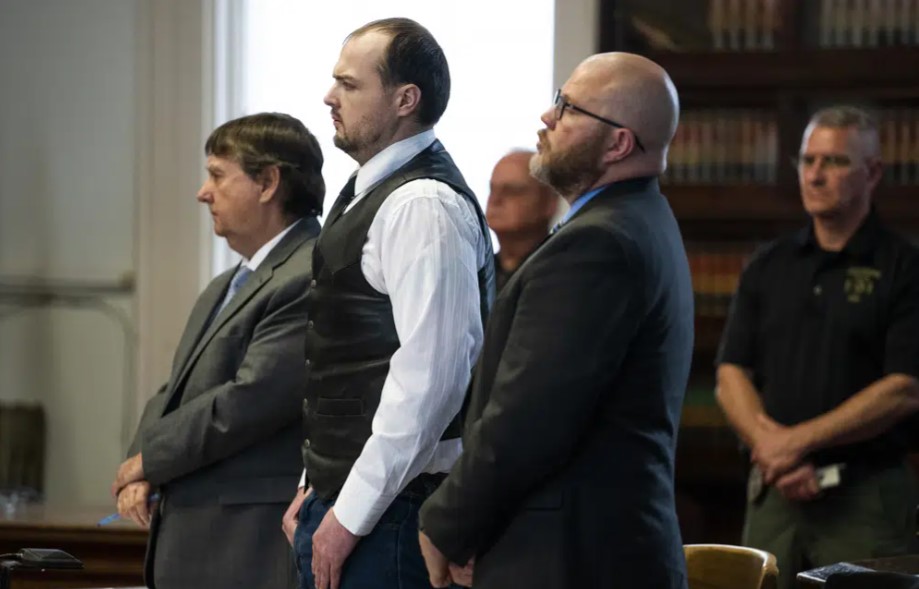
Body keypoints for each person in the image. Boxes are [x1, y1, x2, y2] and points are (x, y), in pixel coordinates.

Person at [418, 52, 693, 589]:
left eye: (569, 109)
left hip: (571, 558)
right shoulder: (637, 220)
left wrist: (445, 523)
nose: (548, 118)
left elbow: (527, 416)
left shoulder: (599, 244)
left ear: (618, 144)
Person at [282, 17, 494, 589]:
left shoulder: (422, 205)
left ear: (405, 99)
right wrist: (313, 487)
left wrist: (347, 516)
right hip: (351, 501)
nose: (330, 97)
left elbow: (431, 380)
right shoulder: (366, 190)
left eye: (349, 85)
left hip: (394, 513)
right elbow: (345, 359)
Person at [111, 112, 324, 589]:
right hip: (201, 538)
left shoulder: (310, 272)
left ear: (268, 182)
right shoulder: (226, 284)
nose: (202, 192)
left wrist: (150, 460)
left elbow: (252, 397)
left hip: (246, 543)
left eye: (217, 175)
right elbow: (176, 390)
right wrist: (141, 468)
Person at [716, 105, 919, 589]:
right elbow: (731, 374)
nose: (816, 175)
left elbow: (904, 389)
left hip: (863, 494)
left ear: (872, 172)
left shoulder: (904, 267)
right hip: (774, 489)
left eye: (835, 162)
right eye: (808, 161)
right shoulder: (770, 263)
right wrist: (772, 450)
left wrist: (796, 443)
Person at [485, 150, 559, 291]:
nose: (495, 200)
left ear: (550, 202)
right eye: (492, 189)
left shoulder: (561, 273)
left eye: (512, 191)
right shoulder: (477, 273)